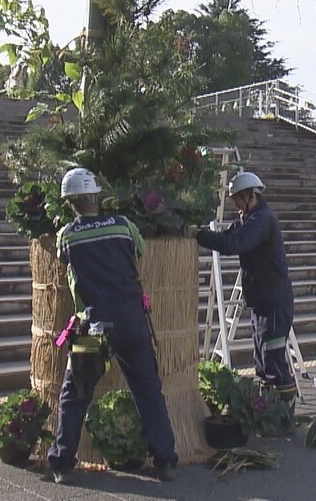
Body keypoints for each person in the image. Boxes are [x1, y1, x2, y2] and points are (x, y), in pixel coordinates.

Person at [47, 167, 178, 484]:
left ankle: (62, 463)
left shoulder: (67, 235)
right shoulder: (123, 226)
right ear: (95, 196)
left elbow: (65, 262)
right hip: (132, 321)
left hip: (92, 326)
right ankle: (165, 462)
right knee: (148, 390)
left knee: (75, 393)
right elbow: (140, 250)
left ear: (70, 203)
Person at [195, 171, 297, 405]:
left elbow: (233, 244)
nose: (236, 206)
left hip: (273, 301)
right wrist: (202, 234)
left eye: (238, 200)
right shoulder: (247, 218)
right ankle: (268, 411)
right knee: (261, 360)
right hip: (262, 300)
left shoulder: (262, 220)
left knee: (273, 361)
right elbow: (226, 236)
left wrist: (198, 235)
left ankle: (283, 413)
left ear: (251, 195)